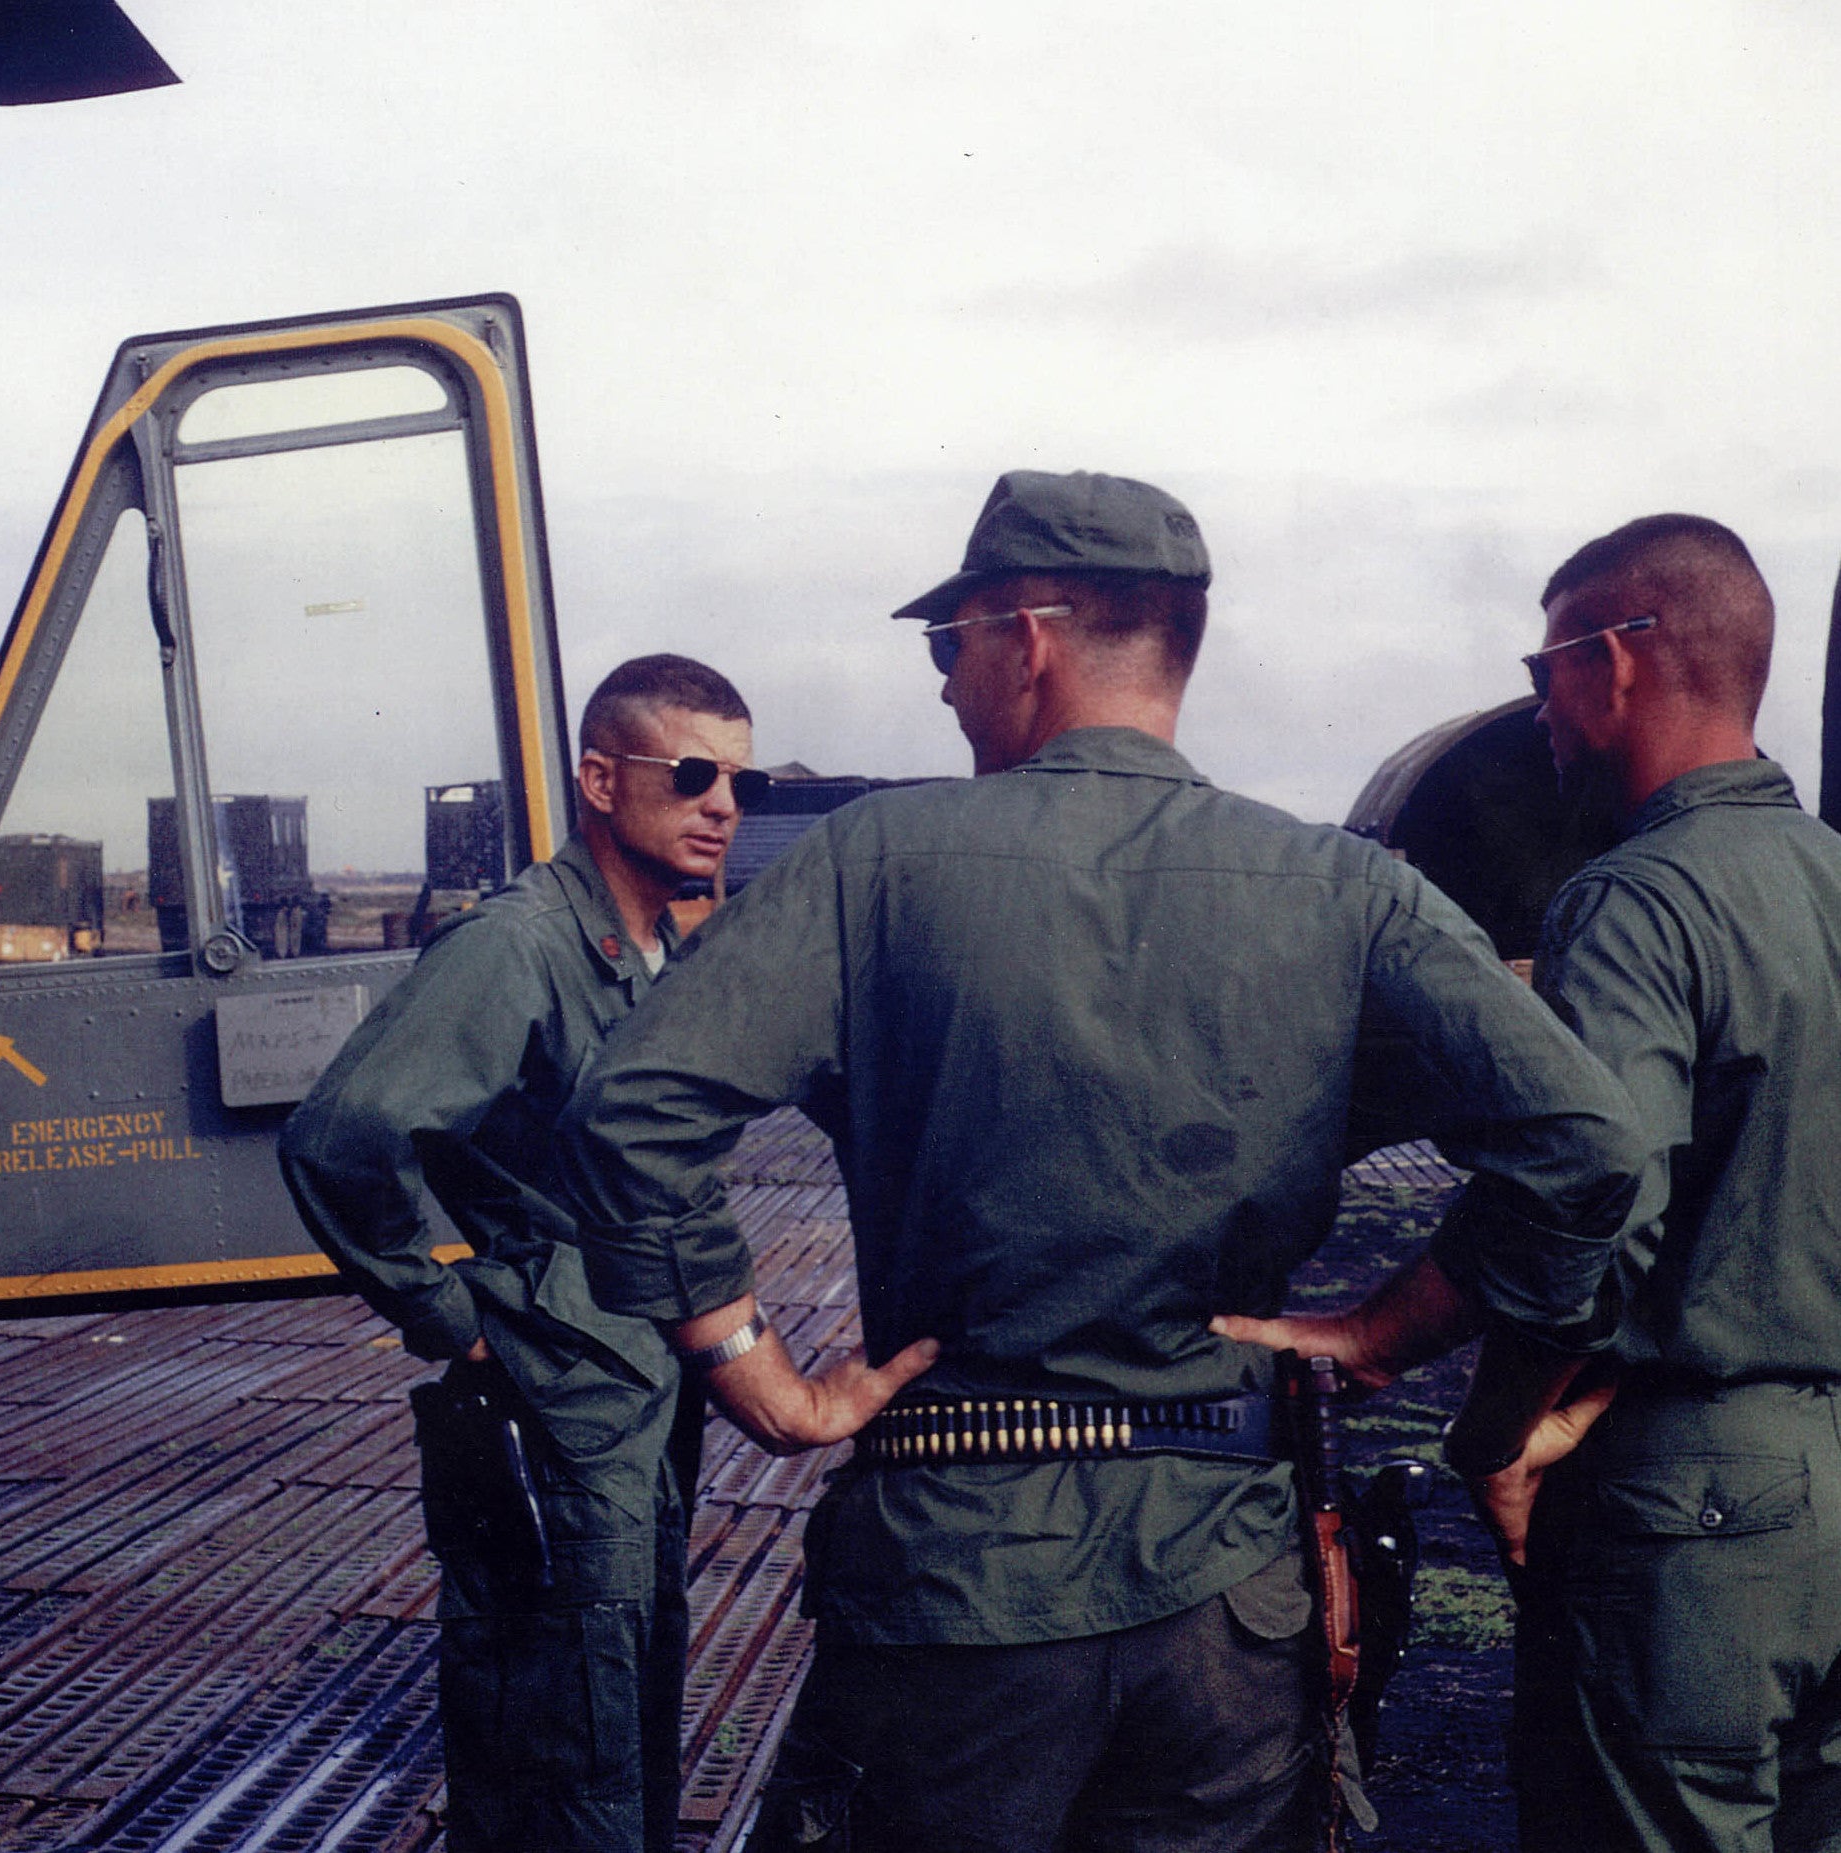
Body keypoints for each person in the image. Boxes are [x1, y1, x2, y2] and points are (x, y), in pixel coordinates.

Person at [556, 469, 1648, 1852]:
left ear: (1027, 635)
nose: (947, 689)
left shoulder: (873, 860)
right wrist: (1386, 1327)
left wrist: (753, 1377)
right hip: (1228, 1601)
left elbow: (628, 1113)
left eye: (950, 649)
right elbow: (1585, 1147)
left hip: (952, 1583)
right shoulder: (1336, 885)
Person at [1250, 515, 1841, 1851]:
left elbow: (1591, 1195)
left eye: (1542, 670)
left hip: (1686, 1510)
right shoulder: (1828, 884)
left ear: (1616, 661)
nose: (1539, 714)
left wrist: (1480, 1410)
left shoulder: (1631, 899)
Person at [281, 654, 920, 1853]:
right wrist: (457, 1314)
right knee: (558, 1742)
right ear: (597, 779)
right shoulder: (518, 947)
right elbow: (343, 1137)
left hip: (628, 1394)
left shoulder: (646, 954)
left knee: (616, 1711)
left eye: (738, 778)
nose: (722, 803)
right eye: (689, 774)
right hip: (555, 1394)